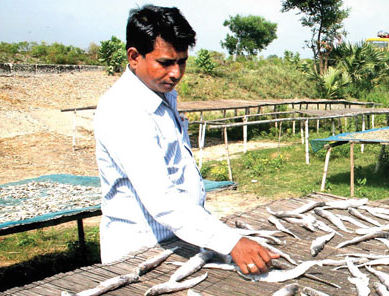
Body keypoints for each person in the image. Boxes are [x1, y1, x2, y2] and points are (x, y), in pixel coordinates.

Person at [94, 5, 276, 274]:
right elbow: (162, 198)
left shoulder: (161, 94)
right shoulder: (123, 110)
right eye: (165, 63)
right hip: (138, 253)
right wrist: (230, 241)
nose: (176, 73)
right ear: (134, 57)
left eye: (182, 61)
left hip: (179, 241)